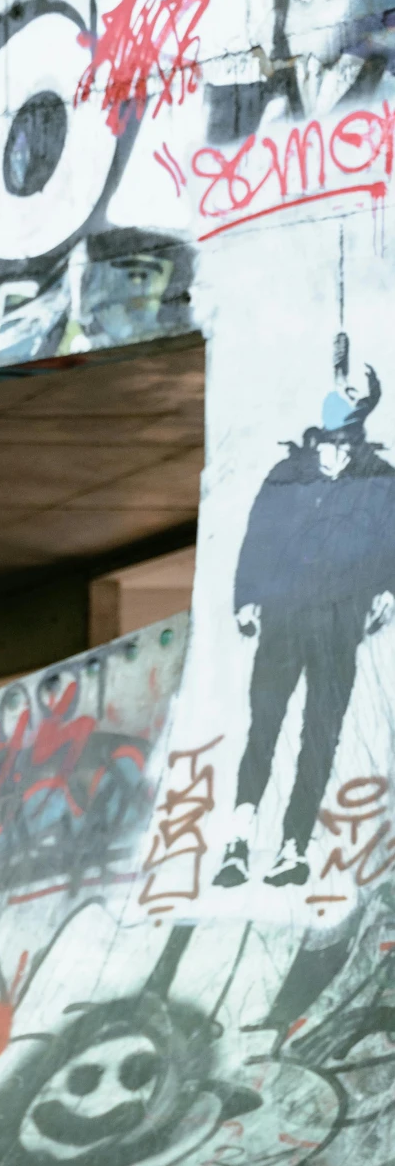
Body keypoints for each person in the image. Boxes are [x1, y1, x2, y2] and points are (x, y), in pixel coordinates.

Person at [215, 360, 395, 891]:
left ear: (356, 443)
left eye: (345, 446)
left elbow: (392, 540)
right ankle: (238, 839)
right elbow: (258, 537)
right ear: (315, 440)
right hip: (285, 617)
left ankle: (293, 845)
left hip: (341, 620)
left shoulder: (381, 482)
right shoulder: (287, 477)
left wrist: (388, 587)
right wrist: (247, 599)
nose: (335, 456)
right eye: (328, 444)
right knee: (264, 727)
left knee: (321, 733)